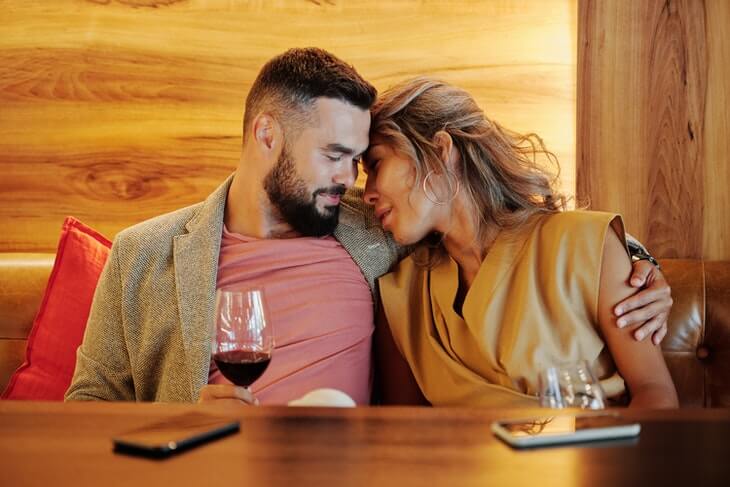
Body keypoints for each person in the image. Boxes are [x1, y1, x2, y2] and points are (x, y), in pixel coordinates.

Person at [66, 49, 672, 406]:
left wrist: (639, 264)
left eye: (362, 161)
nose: (353, 182)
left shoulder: (375, 234)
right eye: (334, 155)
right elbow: (85, 408)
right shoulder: (142, 254)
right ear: (266, 135)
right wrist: (182, 422)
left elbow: (519, 236)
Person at [363, 77, 678, 408]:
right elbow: (405, 432)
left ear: (440, 151)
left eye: (376, 165)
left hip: (590, 456)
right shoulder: (401, 296)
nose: (368, 193)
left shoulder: (586, 245)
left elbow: (654, 392)